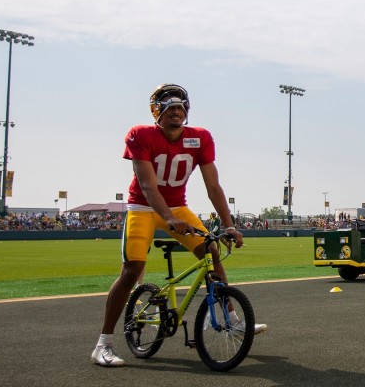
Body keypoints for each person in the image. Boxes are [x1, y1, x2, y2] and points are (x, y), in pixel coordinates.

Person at [91, 84, 266, 367]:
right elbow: (147, 185)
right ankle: (103, 343)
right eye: (170, 107)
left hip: (177, 206)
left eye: (181, 107)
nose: (176, 112)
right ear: (156, 111)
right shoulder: (141, 134)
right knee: (132, 269)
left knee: (211, 250)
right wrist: (169, 218)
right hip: (143, 207)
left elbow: (213, 186)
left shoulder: (200, 137)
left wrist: (229, 225)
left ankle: (231, 320)